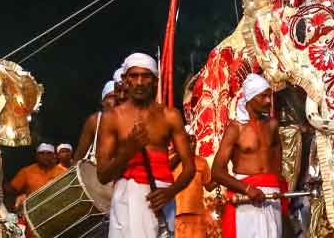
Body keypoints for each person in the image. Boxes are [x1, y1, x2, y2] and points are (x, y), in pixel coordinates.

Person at [95, 53, 196, 238]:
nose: (140, 82)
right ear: (125, 80)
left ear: (155, 81)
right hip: (127, 199)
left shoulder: (170, 116)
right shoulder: (112, 118)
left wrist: (170, 192)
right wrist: (128, 151)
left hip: (161, 198)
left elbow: (189, 168)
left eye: (146, 76)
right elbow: (102, 175)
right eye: (134, 76)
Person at [211, 73, 285, 238]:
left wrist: (278, 186)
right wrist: (247, 189)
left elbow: (277, 160)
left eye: (270, 96)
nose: (268, 101)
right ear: (250, 98)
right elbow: (216, 172)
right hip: (245, 198)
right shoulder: (235, 129)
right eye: (263, 96)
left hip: (272, 196)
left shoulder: (272, 125)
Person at [173, 136, 215, 238]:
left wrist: (220, 178)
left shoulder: (202, 162)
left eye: (194, 141)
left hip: (197, 216)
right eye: (189, 140)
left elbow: (209, 186)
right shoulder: (172, 161)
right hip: (177, 215)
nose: (193, 144)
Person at [76, 75, 122, 162]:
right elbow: (78, 157)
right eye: (110, 97)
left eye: (117, 97)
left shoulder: (129, 121)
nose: (115, 101)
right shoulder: (94, 121)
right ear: (103, 101)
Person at [9, 143, 67, 210]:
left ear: (54, 156)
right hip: (33, 210)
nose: (45, 156)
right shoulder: (26, 171)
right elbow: (12, 190)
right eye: (41, 153)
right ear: (36, 156)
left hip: (57, 209)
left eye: (49, 153)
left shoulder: (64, 172)